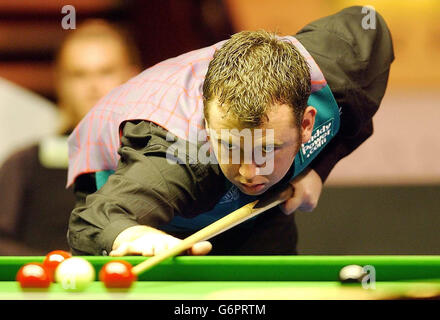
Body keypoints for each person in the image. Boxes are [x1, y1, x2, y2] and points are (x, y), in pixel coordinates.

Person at [67, 6, 394, 256]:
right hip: (139, 188)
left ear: (307, 123)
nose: (250, 172)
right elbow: (91, 220)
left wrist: (318, 169)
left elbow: (369, 23)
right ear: (209, 126)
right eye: (232, 147)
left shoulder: (345, 68)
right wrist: (135, 235)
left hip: (250, 206)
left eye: (266, 149)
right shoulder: (175, 157)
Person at [0, 20, 141, 255]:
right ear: (61, 83)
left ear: (134, 77)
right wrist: (55, 267)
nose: (93, 86)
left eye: (105, 72)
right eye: (79, 75)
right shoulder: (26, 164)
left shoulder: (161, 157)